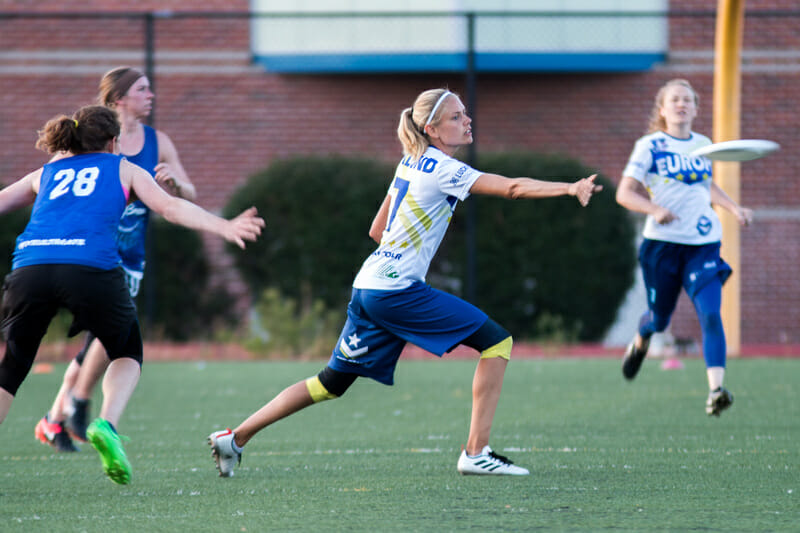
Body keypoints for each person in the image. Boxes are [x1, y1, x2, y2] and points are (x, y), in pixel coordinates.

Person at [207, 87, 601, 477]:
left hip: (368, 286)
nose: (466, 121)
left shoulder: (410, 161)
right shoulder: (445, 168)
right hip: (395, 292)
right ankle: (476, 452)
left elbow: (378, 229)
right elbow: (512, 188)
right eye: (456, 117)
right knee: (497, 342)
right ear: (431, 129)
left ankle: (235, 438)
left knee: (330, 383)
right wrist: (570, 188)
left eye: (464, 114)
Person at [0, 104, 264, 484]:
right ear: (113, 141)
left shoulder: (47, 172)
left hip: (30, 267)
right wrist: (222, 226)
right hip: (89, 267)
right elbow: (170, 207)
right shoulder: (123, 167)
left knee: (11, 368)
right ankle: (106, 423)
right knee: (126, 350)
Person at [33, 67, 197, 452]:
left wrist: (176, 183)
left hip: (130, 257)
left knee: (102, 339)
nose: (151, 95)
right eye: (143, 89)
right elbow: (51, 187)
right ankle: (74, 407)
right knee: (109, 338)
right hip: (85, 254)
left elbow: (189, 194)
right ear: (120, 98)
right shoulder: (87, 139)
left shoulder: (158, 141)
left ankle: (56, 418)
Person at [615, 78, 753, 416]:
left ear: (695, 108)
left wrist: (734, 208)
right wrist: (654, 209)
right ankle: (642, 338)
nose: (682, 104)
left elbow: (706, 187)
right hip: (661, 248)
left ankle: (716, 390)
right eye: (675, 99)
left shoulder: (704, 144)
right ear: (662, 109)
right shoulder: (650, 146)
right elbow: (625, 193)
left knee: (709, 313)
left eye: (688, 100)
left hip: (703, 245)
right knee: (660, 322)